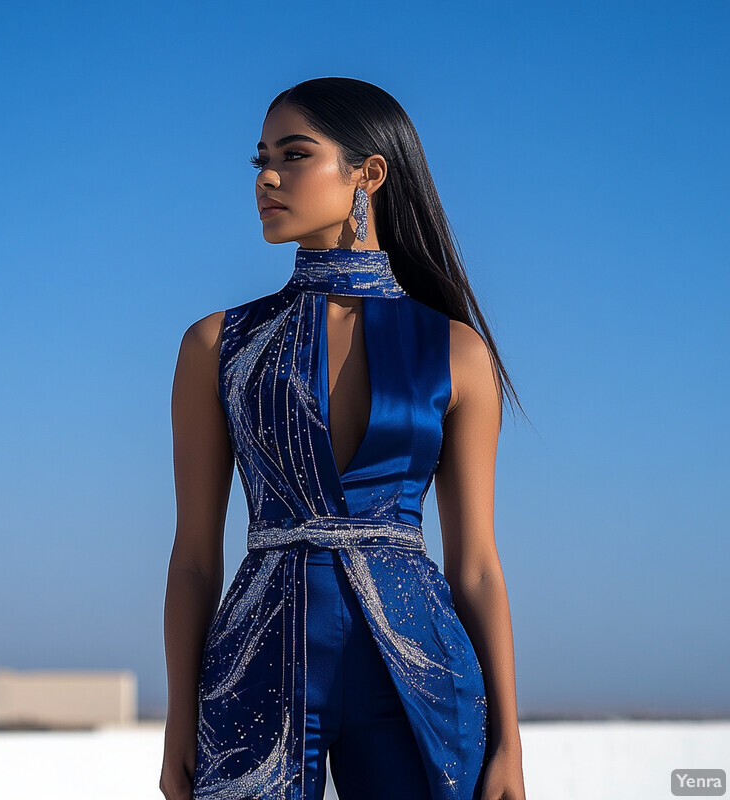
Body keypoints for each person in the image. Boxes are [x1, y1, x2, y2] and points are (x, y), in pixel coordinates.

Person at [160, 77, 527, 800]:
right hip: (254, 667)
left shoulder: (457, 352)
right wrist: (178, 722)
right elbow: (195, 558)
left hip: (421, 673)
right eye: (261, 158)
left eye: (294, 155)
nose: (267, 176)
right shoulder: (217, 345)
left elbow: (477, 564)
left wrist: (511, 741)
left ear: (369, 173)